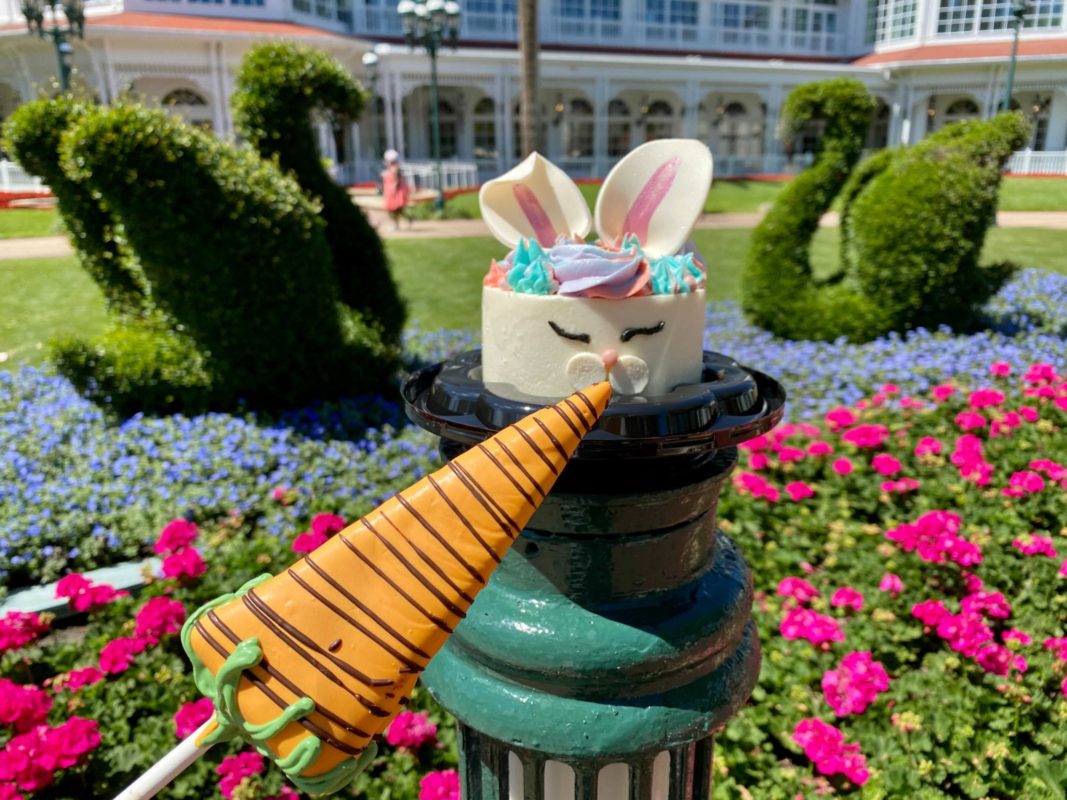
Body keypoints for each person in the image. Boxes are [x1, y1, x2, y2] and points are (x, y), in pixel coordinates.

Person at [381, 149, 411, 230]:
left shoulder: (394, 168)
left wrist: (392, 192)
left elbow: (395, 181)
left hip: (395, 192)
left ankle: (396, 225)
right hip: (393, 191)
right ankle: (407, 220)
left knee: (394, 210)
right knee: (396, 210)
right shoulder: (393, 168)